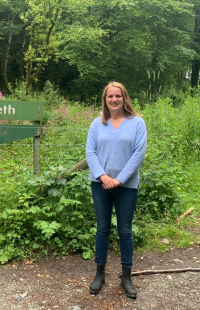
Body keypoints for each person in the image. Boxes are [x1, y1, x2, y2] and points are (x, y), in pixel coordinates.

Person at [85, 81, 147, 299]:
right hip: (99, 184)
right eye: (110, 96)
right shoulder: (97, 123)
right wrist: (103, 176)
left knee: (125, 231)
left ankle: (126, 276)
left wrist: (118, 179)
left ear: (124, 98)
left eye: (117, 96)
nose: (114, 100)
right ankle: (99, 274)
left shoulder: (137, 123)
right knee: (102, 229)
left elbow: (138, 154)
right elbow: (90, 152)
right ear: (105, 100)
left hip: (127, 186)